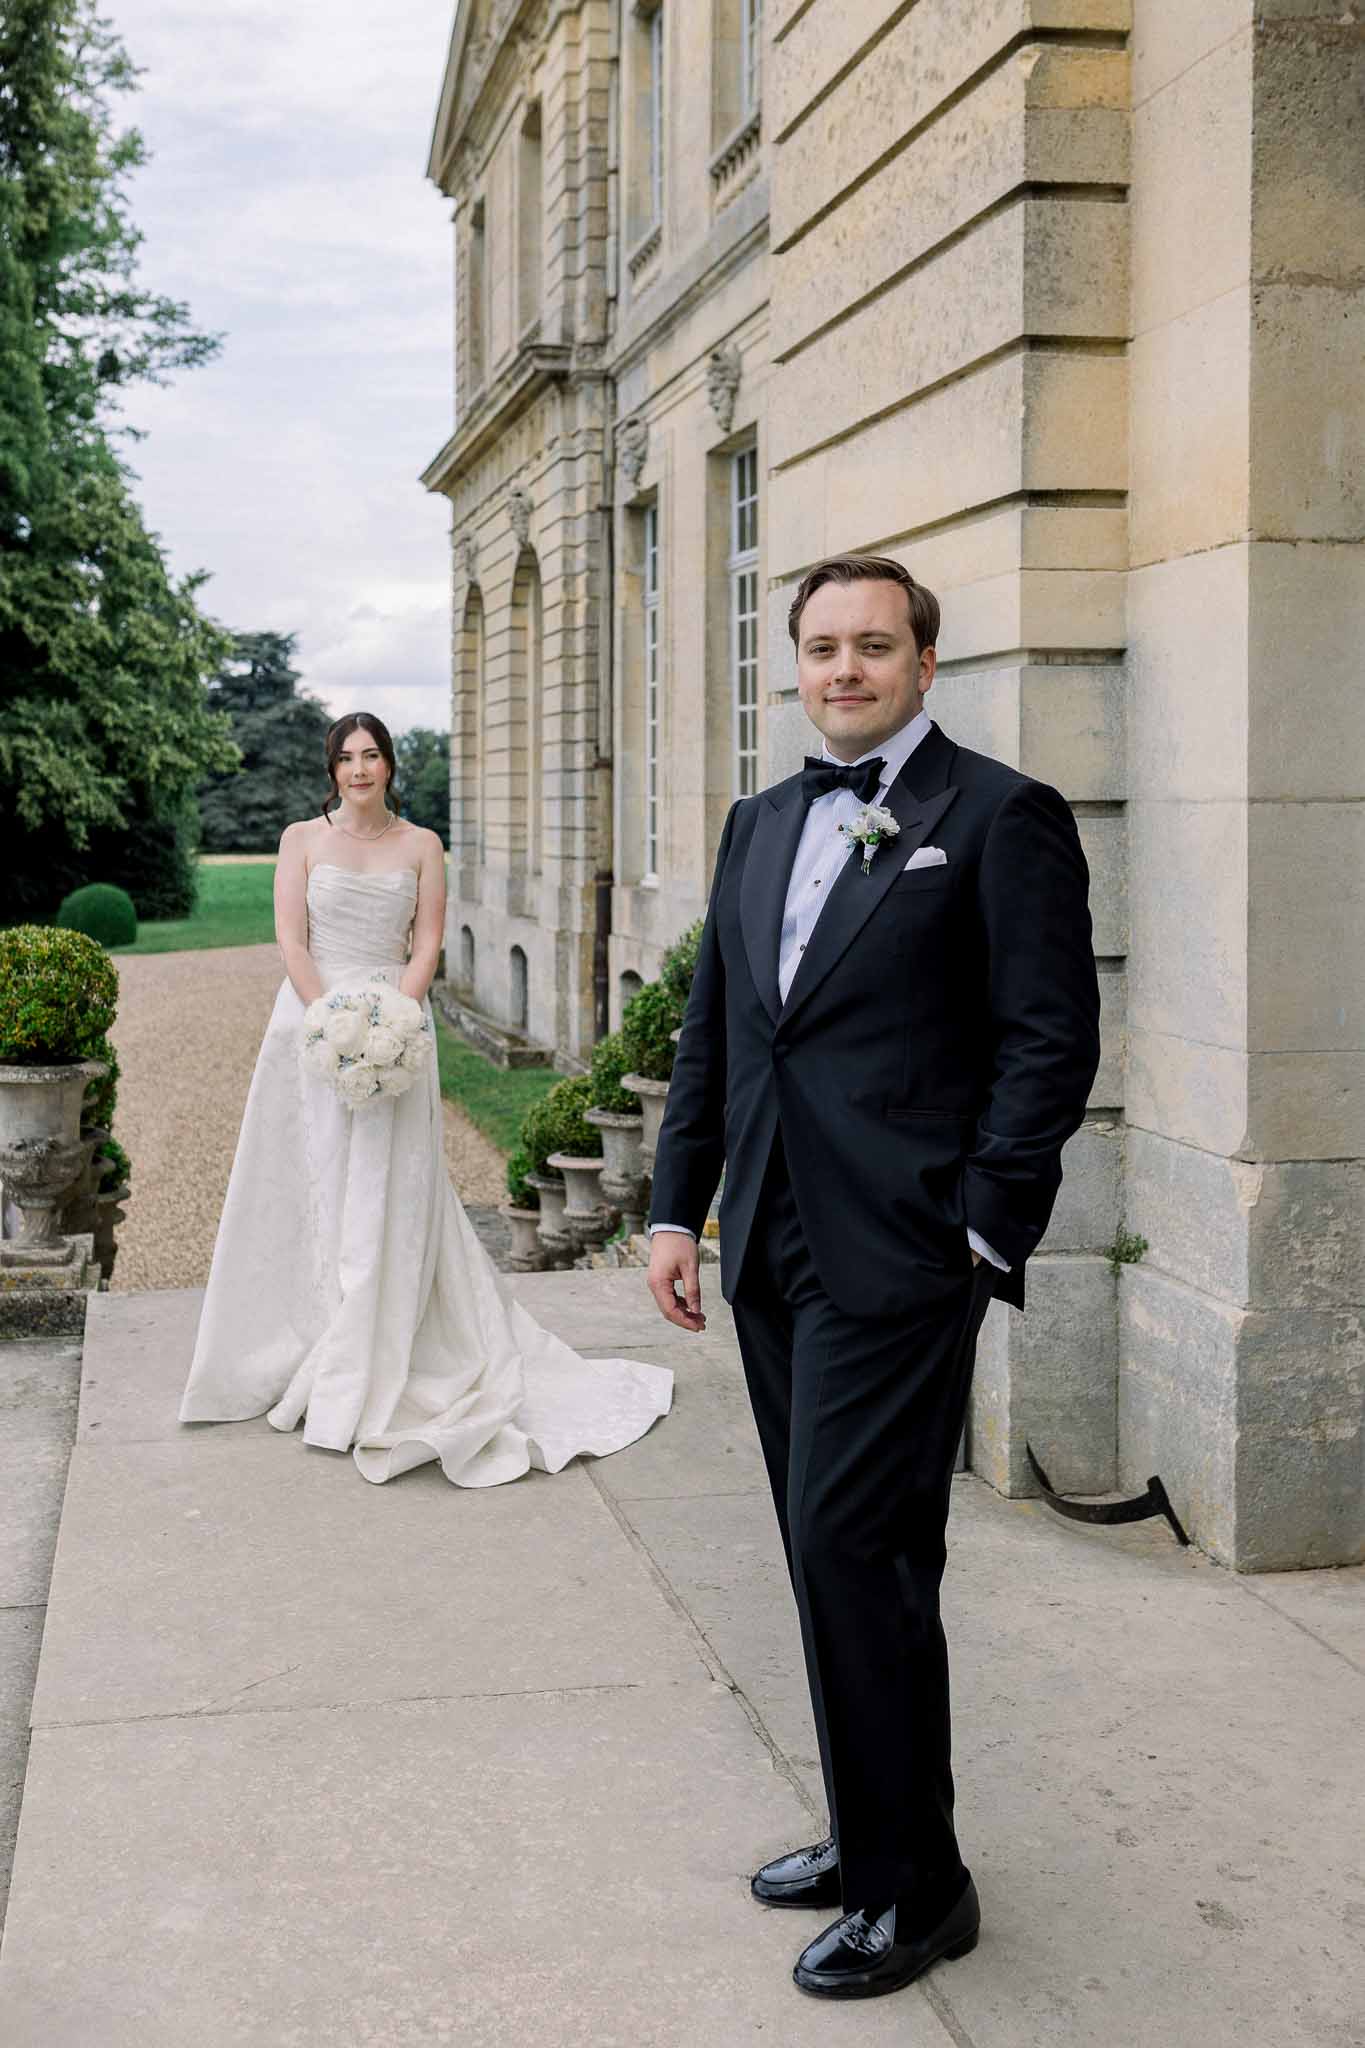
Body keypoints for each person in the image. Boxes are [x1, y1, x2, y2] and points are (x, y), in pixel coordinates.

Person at [647, 556, 1100, 1999]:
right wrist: (674, 1214)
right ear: (794, 664)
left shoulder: (996, 816)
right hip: (770, 1241)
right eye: (821, 647)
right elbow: (718, 1033)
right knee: (819, 1550)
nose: (844, 668)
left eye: (873, 646)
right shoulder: (759, 821)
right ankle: (868, 1834)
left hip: (902, 1253)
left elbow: (1049, 1038)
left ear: (922, 661)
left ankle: (924, 1893)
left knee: (860, 1551)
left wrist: (982, 1224)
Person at [180, 711, 671, 1483]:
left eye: (371, 756)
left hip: (397, 1027)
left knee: (388, 1184)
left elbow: (427, 943)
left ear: (390, 766)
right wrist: (332, 1019)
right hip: (310, 1025)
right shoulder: (300, 840)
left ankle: (384, 1338)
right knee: (312, 1179)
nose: (359, 770)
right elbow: (293, 941)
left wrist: (399, 1018)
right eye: (346, 759)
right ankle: (311, 1333)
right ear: (330, 770)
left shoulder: (422, 845)